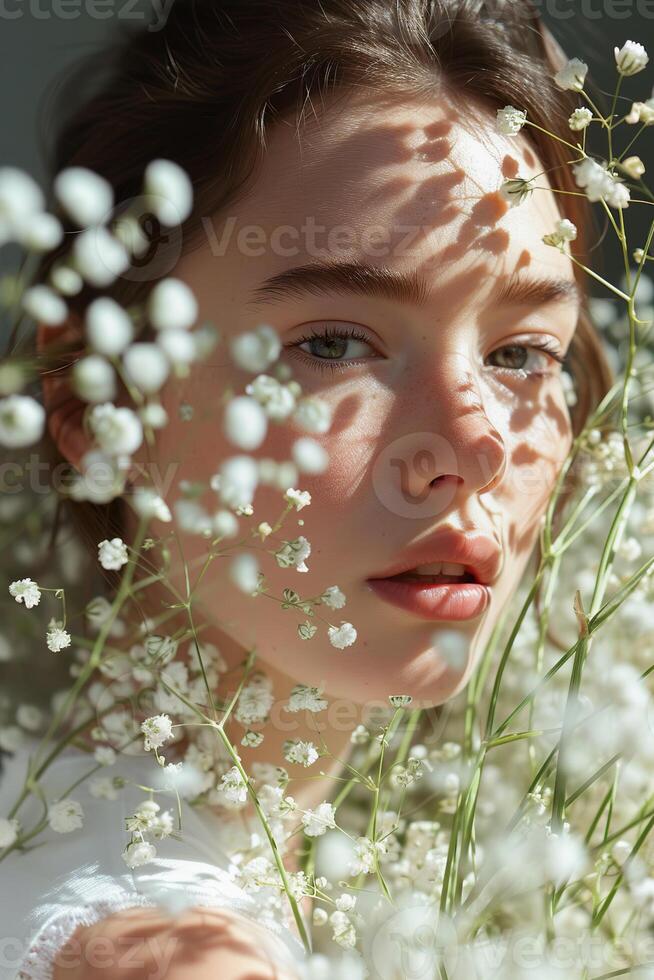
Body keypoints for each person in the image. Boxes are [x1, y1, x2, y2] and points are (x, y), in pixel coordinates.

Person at [1, 0, 612, 977]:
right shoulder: (167, 949)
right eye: (332, 342)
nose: (476, 443)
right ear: (93, 392)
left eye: (521, 351)